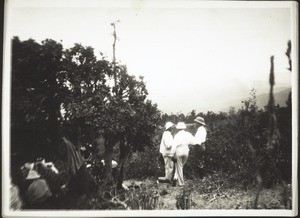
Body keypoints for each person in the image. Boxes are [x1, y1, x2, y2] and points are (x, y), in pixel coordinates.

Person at [171, 122, 197, 186]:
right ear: (184, 128)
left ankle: (181, 183)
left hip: (179, 150)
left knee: (179, 166)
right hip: (186, 150)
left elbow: (174, 146)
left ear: (178, 128)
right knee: (181, 166)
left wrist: (172, 154)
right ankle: (175, 177)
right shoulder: (188, 134)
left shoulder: (177, 135)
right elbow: (194, 142)